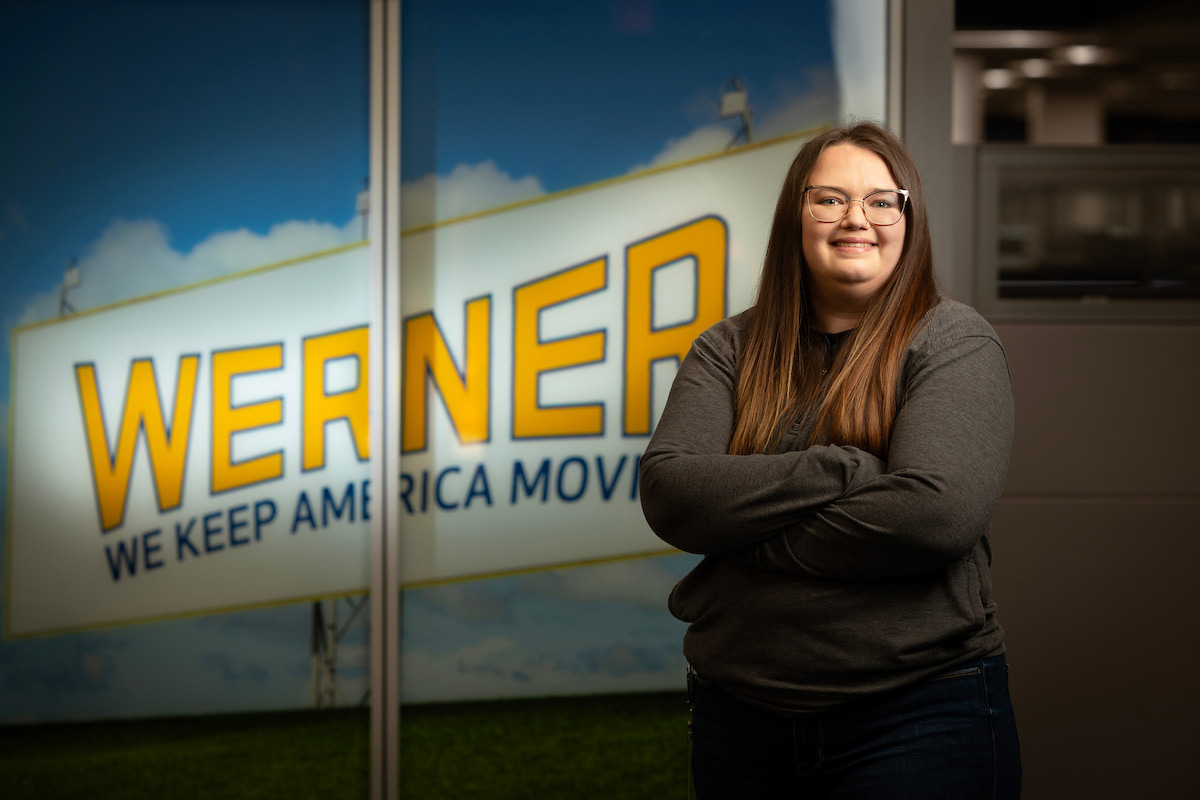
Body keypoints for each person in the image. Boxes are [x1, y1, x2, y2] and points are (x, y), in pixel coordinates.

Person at [638, 120, 1021, 799]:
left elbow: (934, 516)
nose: (856, 219)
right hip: (738, 718)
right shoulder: (727, 349)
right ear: (798, 215)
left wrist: (741, 537)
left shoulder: (953, 340)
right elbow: (672, 493)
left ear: (909, 218)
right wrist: (844, 468)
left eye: (881, 200)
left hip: (920, 714)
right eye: (830, 199)